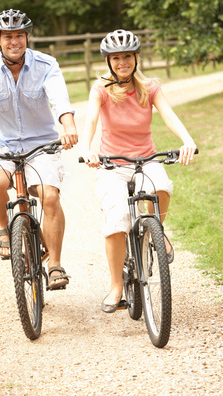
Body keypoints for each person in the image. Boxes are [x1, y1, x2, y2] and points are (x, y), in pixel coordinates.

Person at [0, 8, 78, 290]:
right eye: (7, 36)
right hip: (1, 142)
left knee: (48, 197)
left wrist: (68, 127)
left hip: (41, 143)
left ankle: (55, 265)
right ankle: (3, 227)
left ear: (27, 37)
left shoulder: (47, 65)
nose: (14, 41)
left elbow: (60, 100)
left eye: (19, 35)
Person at [81, 29, 197, 313]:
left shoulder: (149, 87)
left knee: (163, 187)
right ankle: (116, 286)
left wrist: (188, 140)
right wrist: (87, 149)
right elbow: (91, 120)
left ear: (136, 58)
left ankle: (157, 230)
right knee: (117, 219)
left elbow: (168, 115)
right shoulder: (101, 89)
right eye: (116, 58)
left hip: (145, 158)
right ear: (108, 61)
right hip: (111, 163)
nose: (123, 62)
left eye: (128, 57)